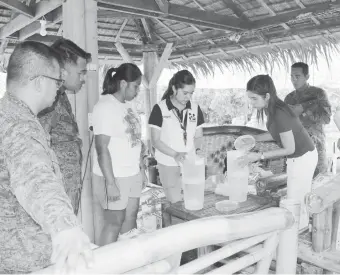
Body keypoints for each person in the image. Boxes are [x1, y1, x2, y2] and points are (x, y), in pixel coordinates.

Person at [0, 41, 93, 273]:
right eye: (57, 81)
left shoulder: (8, 112)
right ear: (40, 82)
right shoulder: (19, 124)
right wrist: (65, 228)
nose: (58, 88)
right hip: (24, 258)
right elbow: (34, 175)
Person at [240, 74, 317, 229]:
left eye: (254, 98)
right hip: (297, 158)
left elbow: (289, 148)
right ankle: (296, 233)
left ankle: (296, 236)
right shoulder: (271, 109)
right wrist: (255, 139)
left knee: (297, 201)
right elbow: (278, 133)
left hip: (303, 157)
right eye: (250, 98)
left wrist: (259, 155)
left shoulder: (279, 113)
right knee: (294, 198)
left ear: (267, 96)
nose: (251, 102)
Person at [92, 64, 147, 245]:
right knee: (115, 221)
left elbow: (136, 140)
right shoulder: (105, 106)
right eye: (135, 86)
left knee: (131, 217)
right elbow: (101, 148)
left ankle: (126, 264)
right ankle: (105, 268)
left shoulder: (129, 105)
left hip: (132, 172)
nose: (138, 90)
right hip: (114, 176)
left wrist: (142, 169)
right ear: (123, 83)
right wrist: (111, 183)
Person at [38, 38, 91, 215]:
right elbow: (39, 147)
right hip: (56, 192)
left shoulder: (59, 95)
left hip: (66, 187)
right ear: (64, 70)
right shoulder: (47, 99)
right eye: (81, 73)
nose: (83, 78)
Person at [148, 70, 205, 203]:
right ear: (174, 88)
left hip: (190, 163)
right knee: (175, 203)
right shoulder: (159, 109)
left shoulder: (195, 109)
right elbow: (155, 141)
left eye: (191, 93)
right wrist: (175, 154)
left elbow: (198, 136)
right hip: (168, 164)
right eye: (185, 93)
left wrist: (197, 152)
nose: (188, 97)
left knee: (192, 201)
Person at [284, 62, 331, 177]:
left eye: (297, 76)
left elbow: (326, 118)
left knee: (318, 183)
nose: (293, 79)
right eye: (291, 76)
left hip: (316, 147)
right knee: (295, 183)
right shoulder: (289, 98)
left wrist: (305, 113)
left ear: (307, 77)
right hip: (296, 149)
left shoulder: (318, 94)